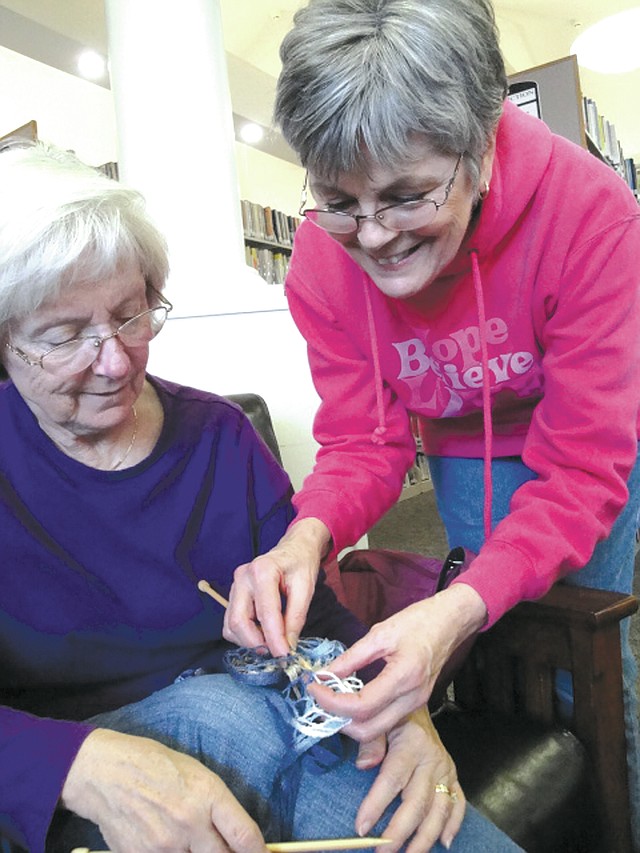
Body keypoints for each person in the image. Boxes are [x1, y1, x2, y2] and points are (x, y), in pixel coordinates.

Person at [0, 142, 522, 853]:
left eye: (130, 316)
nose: (116, 361)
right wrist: (77, 763)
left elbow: (315, 610)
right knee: (220, 716)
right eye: (65, 337)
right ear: (5, 342)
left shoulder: (217, 433)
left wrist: (403, 715)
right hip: (77, 783)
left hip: (272, 729)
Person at [222, 0, 640, 847]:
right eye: (338, 201)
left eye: (407, 196)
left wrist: (456, 605)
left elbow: (584, 470)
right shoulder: (320, 258)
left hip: (585, 439)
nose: (371, 237)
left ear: (481, 145)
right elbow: (363, 442)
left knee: (593, 662)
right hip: (465, 444)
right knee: (496, 642)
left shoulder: (591, 214)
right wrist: (307, 537)